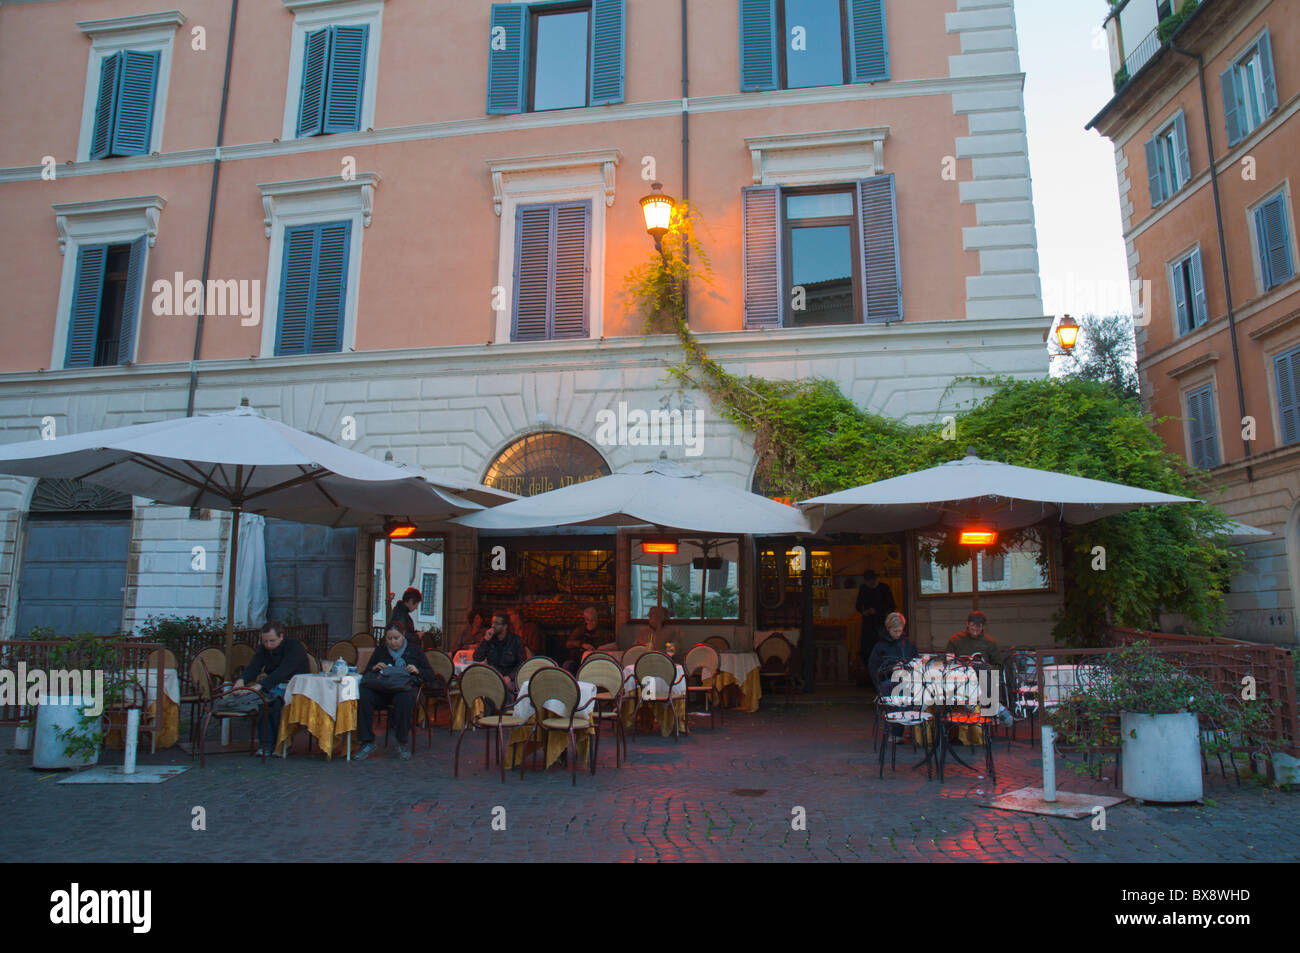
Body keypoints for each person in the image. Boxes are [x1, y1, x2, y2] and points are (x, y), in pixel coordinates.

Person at [355, 625, 438, 761]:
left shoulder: (414, 650)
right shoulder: (380, 651)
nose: (393, 642)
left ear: (403, 635)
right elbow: (367, 673)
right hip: (383, 691)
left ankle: (402, 742)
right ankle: (367, 741)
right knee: (365, 694)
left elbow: (430, 674)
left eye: (396, 638)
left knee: (404, 699)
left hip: (404, 689)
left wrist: (417, 670)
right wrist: (375, 668)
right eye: (389, 639)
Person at [232, 621, 310, 756]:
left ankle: (280, 744)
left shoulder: (294, 646)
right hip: (273, 685)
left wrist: (260, 685)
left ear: (281, 636)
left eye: (272, 641)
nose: (268, 645)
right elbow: (254, 666)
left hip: (296, 687)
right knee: (264, 704)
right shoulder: (264, 649)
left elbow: (284, 670)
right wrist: (241, 680)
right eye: (265, 641)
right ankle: (266, 744)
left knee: (276, 704)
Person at [867, 611, 918, 697]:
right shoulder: (880, 646)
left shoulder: (909, 644)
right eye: (895, 631)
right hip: (888, 686)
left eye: (900, 631)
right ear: (888, 629)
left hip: (908, 684)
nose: (898, 634)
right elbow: (873, 668)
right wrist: (890, 669)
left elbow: (916, 661)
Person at [855, 570, 896, 674]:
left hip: (881, 624)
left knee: (882, 650)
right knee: (866, 651)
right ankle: (871, 674)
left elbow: (891, 606)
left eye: (870, 581)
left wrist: (877, 610)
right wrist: (864, 611)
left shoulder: (884, 588)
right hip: (868, 625)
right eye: (867, 582)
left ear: (874, 580)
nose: (869, 584)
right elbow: (858, 605)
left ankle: (882, 674)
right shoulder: (863, 589)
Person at [473, 611, 526, 689]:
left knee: (506, 689)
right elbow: (477, 657)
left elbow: (522, 663)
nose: (493, 626)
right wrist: (485, 640)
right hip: (492, 678)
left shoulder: (515, 641)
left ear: (505, 626)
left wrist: (510, 677)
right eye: (492, 623)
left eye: (497, 623)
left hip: (509, 679)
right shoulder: (490, 640)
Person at [565, 605, 609, 672]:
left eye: (594, 620)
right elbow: (568, 644)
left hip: (597, 660)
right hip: (580, 661)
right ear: (586, 620)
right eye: (590, 620)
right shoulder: (580, 630)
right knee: (568, 665)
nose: (593, 623)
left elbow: (609, 644)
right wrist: (582, 644)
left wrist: (601, 648)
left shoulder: (601, 631)